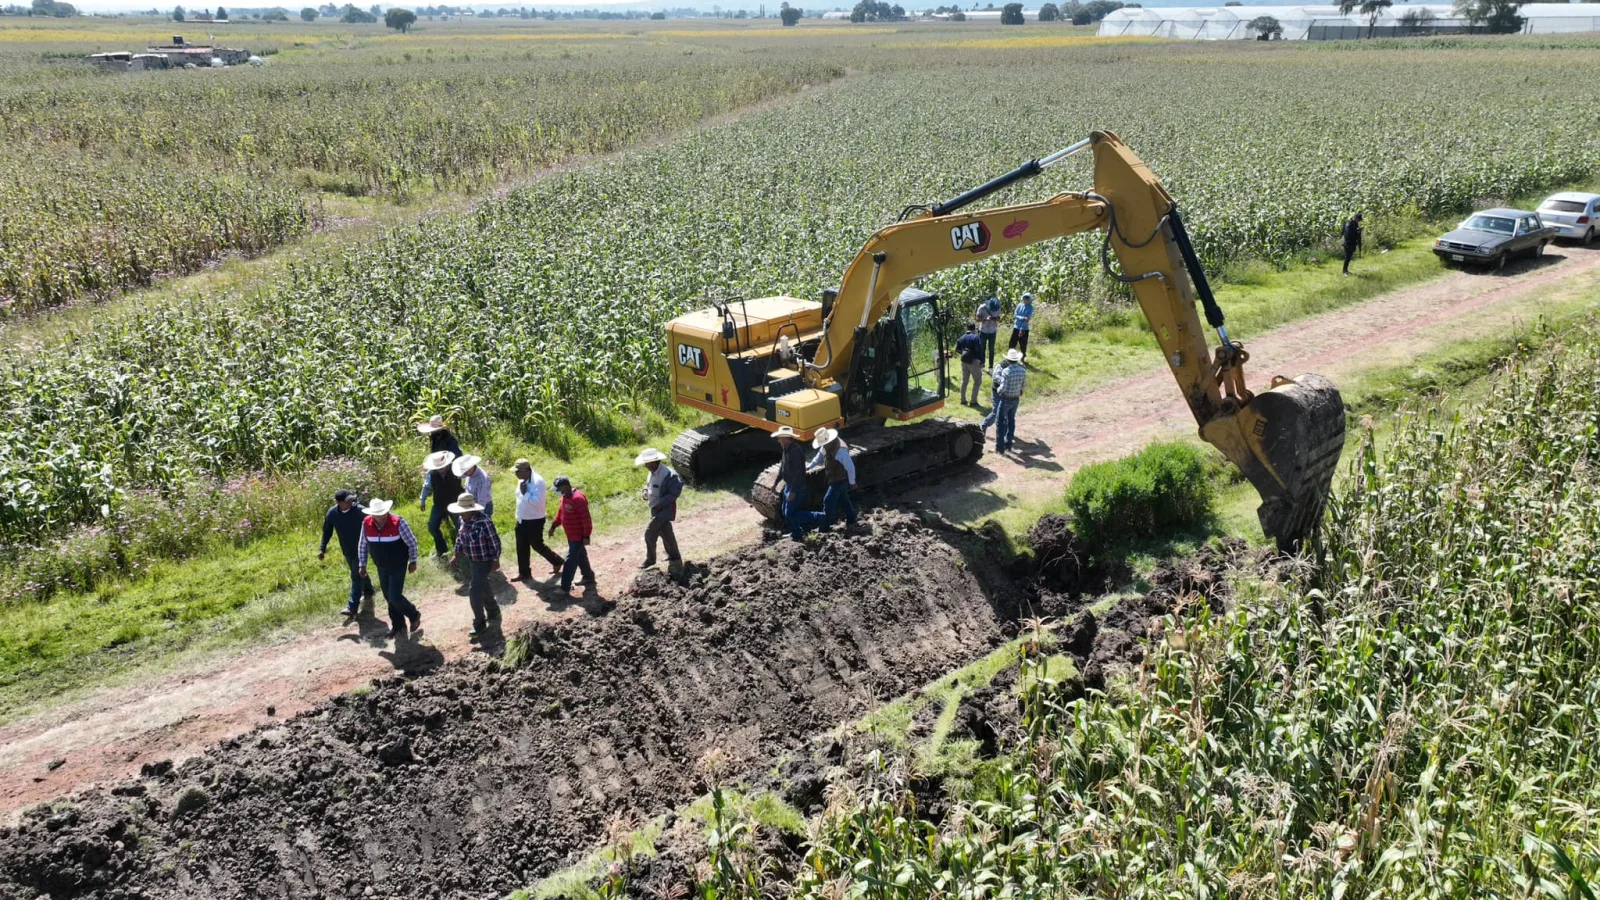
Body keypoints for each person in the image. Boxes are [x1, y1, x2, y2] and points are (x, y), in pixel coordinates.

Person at [355, 499, 421, 640]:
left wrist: (413, 561)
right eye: (378, 514)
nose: (382, 517)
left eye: (383, 513)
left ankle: (414, 614)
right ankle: (398, 626)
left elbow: (412, 542)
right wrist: (362, 564)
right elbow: (363, 545)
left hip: (398, 564)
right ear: (372, 515)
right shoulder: (366, 524)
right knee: (388, 597)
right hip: (381, 565)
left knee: (394, 596)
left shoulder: (399, 522)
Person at [448, 492, 502, 640]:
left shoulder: (484, 522)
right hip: (473, 559)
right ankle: (494, 611)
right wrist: (456, 554)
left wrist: (496, 559)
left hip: (485, 560)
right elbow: (460, 538)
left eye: (464, 511)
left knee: (474, 591)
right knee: (483, 585)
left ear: (471, 509)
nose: (462, 513)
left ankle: (479, 624)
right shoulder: (462, 520)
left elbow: (494, 541)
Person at [318, 489, 375, 619]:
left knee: (355, 575)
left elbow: (374, 521)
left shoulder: (360, 511)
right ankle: (368, 590)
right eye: (348, 500)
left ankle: (352, 607)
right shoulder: (332, 514)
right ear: (339, 503)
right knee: (359, 572)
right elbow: (327, 531)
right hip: (347, 549)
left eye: (351, 499)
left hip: (362, 548)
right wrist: (322, 548)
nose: (351, 501)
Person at [512, 458, 565, 581]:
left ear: (526, 470)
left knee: (536, 544)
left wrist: (525, 494)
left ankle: (557, 561)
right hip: (521, 519)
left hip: (534, 519)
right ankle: (524, 573)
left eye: (517, 471)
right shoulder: (522, 479)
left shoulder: (538, 482)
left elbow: (537, 502)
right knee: (521, 546)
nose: (516, 474)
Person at [634, 448, 683, 569]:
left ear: (655, 462)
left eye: (647, 463)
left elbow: (674, 493)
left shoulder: (669, 475)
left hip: (664, 510)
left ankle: (650, 560)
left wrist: (661, 503)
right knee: (666, 533)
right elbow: (648, 485)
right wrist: (645, 491)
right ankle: (674, 556)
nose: (645, 466)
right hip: (655, 509)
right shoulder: (652, 471)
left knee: (649, 534)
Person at [803, 427, 857, 532]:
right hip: (833, 478)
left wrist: (852, 482)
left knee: (828, 501)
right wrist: (810, 466)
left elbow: (850, 467)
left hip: (838, 480)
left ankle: (824, 526)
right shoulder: (826, 446)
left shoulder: (840, 451)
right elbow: (819, 457)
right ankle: (851, 519)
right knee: (844, 500)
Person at [549, 476, 596, 596]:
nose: (558, 492)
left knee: (570, 561)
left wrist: (586, 536)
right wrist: (554, 526)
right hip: (570, 535)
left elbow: (586, 519)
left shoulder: (578, 498)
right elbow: (561, 514)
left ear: (565, 487)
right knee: (580, 556)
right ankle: (588, 577)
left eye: (558, 489)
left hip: (578, 536)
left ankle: (565, 587)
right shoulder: (565, 497)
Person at [982, 348, 1028, 453]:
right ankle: (1007, 444)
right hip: (1013, 397)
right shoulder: (1020, 369)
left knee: (1001, 421)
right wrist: (1019, 390)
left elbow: (1003, 387)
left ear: (1008, 359)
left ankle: (1000, 447)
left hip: (1004, 395)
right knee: (1007, 418)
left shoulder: (1007, 370)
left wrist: (1001, 387)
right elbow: (995, 376)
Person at [419, 450, 462, 557]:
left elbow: (467, 477)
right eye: (438, 467)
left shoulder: (455, 468)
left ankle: (463, 549)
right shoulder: (431, 473)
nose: (440, 469)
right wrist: (422, 500)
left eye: (442, 466)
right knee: (432, 527)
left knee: (461, 527)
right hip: (439, 504)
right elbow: (426, 487)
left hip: (456, 503)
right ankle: (442, 549)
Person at [771, 426, 810, 540]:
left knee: (790, 513)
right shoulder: (786, 450)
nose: (778, 440)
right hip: (789, 485)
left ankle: (818, 518)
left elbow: (798, 473)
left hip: (796, 487)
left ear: (787, 439)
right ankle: (796, 531)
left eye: (780, 438)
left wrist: (793, 491)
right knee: (785, 511)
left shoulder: (796, 451)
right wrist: (776, 482)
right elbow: (782, 467)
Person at [453, 454, 493, 521]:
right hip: (472, 504)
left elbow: (481, 502)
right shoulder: (469, 473)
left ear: (471, 467)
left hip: (483, 507)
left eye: (465, 471)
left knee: (484, 525)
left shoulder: (482, 479)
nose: (464, 473)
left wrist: (477, 517)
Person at [954, 322, 985, 407]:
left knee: (964, 381)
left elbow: (957, 350)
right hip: (973, 361)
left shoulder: (961, 337)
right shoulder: (975, 337)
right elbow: (979, 351)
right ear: (974, 329)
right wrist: (982, 361)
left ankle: (963, 400)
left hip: (964, 361)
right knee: (978, 381)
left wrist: (965, 353)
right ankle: (973, 401)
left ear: (967, 328)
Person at [975, 296, 1002, 367]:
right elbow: (977, 319)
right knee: (982, 349)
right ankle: (982, 363)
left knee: (991, 350)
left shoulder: (998, 307)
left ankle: (991, 366)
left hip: (993, 331)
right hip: (983, 331)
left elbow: (999, 319)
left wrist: (994, 319)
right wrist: (985, 319)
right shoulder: (981, 307)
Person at [1008, 293, 1035, 361]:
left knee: (1023, 344)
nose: (1025, 300)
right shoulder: (1019, 305)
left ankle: (1022, 357)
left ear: (1030, 300)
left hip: (1024, 328)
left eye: (1027, 299)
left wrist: (1020, 318)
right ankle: (1011, 356)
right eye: (1024, 299)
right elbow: (1015, 315)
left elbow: (1027, 319)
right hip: (1016, 326)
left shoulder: (1031, 308)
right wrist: (1022, 317)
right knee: (1012, 343)